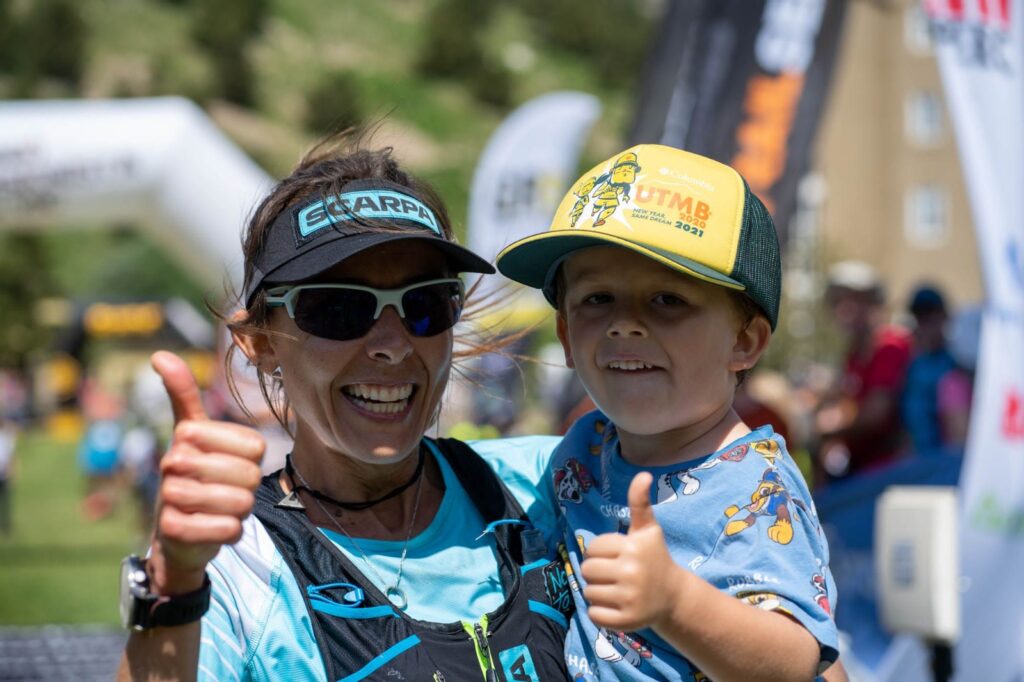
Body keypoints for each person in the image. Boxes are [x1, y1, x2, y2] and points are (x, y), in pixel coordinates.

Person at [118, 137, 573, 681]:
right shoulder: (238, 562)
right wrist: (171, 589)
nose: (393, 344)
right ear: (259, 344)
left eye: (425, 304)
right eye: (338, 307)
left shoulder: (553, 482)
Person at [496, 144, 839, 681]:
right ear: (565, 334)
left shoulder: (756, 489)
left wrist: (674, 601)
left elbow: (795, 662)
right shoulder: (586, 445)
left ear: (744, 343)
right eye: (597, 298)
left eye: (667, 300)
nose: (624, 324)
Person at [814, 261, 911, 480]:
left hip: (888, 471)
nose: (842, 310)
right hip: (861, 470)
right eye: (837, 302)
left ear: (872, 304)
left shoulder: (890, 346)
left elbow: (877, 414)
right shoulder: (855, 352)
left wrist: (831, 425)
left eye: (851, 301)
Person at [901, 284, 972, 453]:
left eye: (931, 314)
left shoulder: (959, 363)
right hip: (918, 464)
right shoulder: (913, 366)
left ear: (945, 316)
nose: (926, 323)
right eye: (920, 316)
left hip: (946, 465)